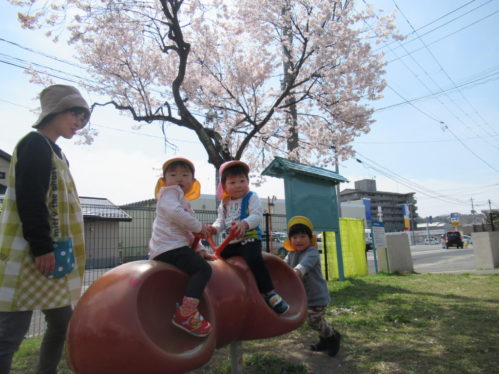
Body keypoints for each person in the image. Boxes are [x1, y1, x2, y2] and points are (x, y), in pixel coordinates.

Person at [0, 84, 90, 374]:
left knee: (62, 322)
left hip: (55, 256)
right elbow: (29, 197)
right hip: (33, 254)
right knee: (10, 333)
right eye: (75, 114)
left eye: (83, 118)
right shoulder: (34, 144)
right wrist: (42, 247)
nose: (79, 123)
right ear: (55, 111)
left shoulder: (59, 154)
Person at [149, 157, 216, 338]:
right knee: (203, 270)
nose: (179, 178)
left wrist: (200, 249)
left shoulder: (182, 201)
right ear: (164, 180)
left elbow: (188, 232)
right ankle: (186, 314)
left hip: (173, 247)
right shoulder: (169, 193)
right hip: (170, 247)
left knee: (198, 264)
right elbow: (176, 214)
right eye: (173, 174)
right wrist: (199, 227)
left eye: (185, 175)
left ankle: (186, 309)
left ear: (193, 182)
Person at [211, 160, 289, 314]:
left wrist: (245, 224)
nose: (238, 185)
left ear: (248, 181)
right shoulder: (224, 203)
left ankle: (270, 293)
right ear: (224, 186)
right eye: (233, 182)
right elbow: (220, 221)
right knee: (218, 259)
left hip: (249, 239)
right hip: (231, 242)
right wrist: (213, 228)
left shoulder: (251, 197)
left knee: (254, 259)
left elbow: (256, 215)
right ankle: (225, 293)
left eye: (242, 181)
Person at [283, 216, 341, 357]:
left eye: (303, 236)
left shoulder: (312, 252)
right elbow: (283, 266)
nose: (299, 240)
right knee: (315, 321)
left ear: (310, 239)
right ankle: (324, 340)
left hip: (317, 295)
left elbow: (303, 266)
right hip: (304, 296)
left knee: (314, 321)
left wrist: (296, 270)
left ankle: (333, 337)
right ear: (290, 240)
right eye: (295, 237)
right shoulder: (291, 253)